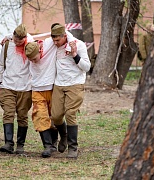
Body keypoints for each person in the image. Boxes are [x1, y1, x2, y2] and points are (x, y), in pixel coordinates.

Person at [24, 31, 74, 158]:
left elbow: (63, 31)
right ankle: (47, 146)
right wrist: (7, 38)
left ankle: (62, 136)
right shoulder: (30, 47)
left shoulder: (48, 45)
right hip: (36, 89)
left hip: (52, 88)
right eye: (30, 60)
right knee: (40, 116)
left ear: (40, 52)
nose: (33, 62)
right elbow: (24, 34)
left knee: (54, 116)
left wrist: (70, 46)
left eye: (34, 59)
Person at [50, 23, 91, 159]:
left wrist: (74, 55)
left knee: (70, 114)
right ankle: (65, 135)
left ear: (64, 36)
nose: (55, 43)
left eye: (58, 40)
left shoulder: (78, 45)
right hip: (59, 84)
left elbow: (87, 67)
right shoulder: (52, 45)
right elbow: (29, 38)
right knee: (55, 116)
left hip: (75, 83)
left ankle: (73, 147)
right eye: (53, 40)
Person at [0, 24, 33, 154]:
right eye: (15, 40)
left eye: (20, 41)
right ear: (13, 36)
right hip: (7, 85)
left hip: (25, 87)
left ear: (25, 38)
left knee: (22, 116)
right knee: (8, 113)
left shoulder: (30, 46)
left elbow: (32, 40)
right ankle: (8, 143)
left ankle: (20, 145)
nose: (17, 43)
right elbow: (0, 64)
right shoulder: (7, 45)